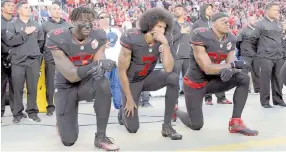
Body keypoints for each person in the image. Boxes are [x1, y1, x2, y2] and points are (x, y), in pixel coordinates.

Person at [45, 7, 119, 151]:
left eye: (90, 21)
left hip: (86, 82)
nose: (88, 24)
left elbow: (99, 59)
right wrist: (97, 64)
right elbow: (71, 75)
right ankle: (63, 120)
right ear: (72, 21)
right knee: (68, 140)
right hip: (66, 86)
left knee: (103, 83)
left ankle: (101, 137)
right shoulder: (57, 37)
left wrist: (101, 67)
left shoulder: (98, 35)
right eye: (83, 21)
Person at [175, 12, 258, 136]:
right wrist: (231, 66)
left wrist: (230, 69)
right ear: (213, 24)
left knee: (243, 78)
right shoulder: (200, 34)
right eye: (223, 21)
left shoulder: (231, 37)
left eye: (228, 20)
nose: (227, 23)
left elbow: (231, 62)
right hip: (195, 83)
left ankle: (236, 122)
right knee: (196, 125)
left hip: (214, 81)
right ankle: (175, 111)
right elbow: (207, 68)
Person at [117, 7, 182, 140]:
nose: (162, 30)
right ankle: (122, 111)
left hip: (147, 78)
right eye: (159, 26)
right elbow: (121, 71)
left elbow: (168, 68)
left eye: (164, 28)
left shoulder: (163, 40)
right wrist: (129, 99)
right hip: (132, 81)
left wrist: (165, 44)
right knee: (133, 129)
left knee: (173, 77)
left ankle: (167, 125)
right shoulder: (132, 37)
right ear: (150, 24)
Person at [6, 1, 44, 123]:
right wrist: (24, 33)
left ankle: (32, 112)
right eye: (26, 7)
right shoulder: (12, 25)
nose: (29, 9)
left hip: (33, 61)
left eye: (30, 7)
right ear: (19, 11)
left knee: (32, 88)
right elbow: (11, 41)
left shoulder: (36, 24)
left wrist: (36, 54)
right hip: (18, 62)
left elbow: (40, 42)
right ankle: (17, 114)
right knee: (17, 89)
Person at [193, 3, 231, 105]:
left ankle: (221, 98)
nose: (211, 11)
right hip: (205, 52)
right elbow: (193, 39)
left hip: (217, 51)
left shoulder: (215, 21)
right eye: (208, 9)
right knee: (206, 74)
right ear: (203, 10)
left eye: (211, 9)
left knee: (219, 73)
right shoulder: (197, 23)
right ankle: (208, 98)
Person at [254, 2, 286, 108]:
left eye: (278, 10)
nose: (277, 12)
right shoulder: (260, 24)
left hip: (278, 55)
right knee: (265, 79)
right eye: (274, 10)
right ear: (267, 11)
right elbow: (253, 40)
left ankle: (278, 99)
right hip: (265, 56)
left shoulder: (279, 24)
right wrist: (258, 54)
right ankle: (265, 101)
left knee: (278, 78)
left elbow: (280, 39)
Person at [41, 3, 70, 116]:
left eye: (59, 8)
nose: (57, 11)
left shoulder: (68, 25)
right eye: (54, 9)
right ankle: (50, 106)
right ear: (49, 11)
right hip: (50, 58)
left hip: (65, 59)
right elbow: (41, 42)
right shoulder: (45, 25)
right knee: (50, 82)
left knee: (66, 82)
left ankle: (66, 104)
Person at [98, 12, 122, 109]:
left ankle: (118, 106)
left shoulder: (116, 31)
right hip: (102, 64)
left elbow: (122, 45)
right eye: (102, 17)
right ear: (98, 20)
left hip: (115, 62)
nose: (104, 19)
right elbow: (91, 47)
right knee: (103, 86)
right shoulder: (95, 33)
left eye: (107, 16)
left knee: (117, 85)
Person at [236, 15, 260, 93]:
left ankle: (258, 89)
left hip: (256, 54)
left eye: (255, 19)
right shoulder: (243, 31)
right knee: (244, 72)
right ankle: (244, 88)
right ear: (248, 21)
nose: (254, 21)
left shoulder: (257, 30)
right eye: (252, 20)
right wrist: (242, 51)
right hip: (246, 54)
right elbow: (238, 42)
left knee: (256, 71)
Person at [1, 0, 15, 117]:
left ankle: (16, 110)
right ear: (1, 8)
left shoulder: (16, 22)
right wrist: (7, 51)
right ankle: (1, 110)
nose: (11, 7)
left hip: (15, 57)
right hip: (2, 56)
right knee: (1, 84)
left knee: (15, 84)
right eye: (8, 6)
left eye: (12, 6)